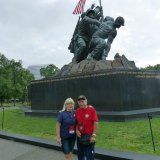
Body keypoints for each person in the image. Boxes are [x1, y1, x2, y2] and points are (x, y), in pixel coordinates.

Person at [75, 95, 98, 160]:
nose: (81, 103)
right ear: (78, 103)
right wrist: (76, 130)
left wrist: (93, 135)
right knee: (80, 156)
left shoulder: (92, 110)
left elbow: (96, 123)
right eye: (80, 102)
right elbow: (76, 123)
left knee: (90, 157)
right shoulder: (77, 111)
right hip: (80, 137)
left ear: (86, 101)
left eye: (83, 101)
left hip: (89, 137)